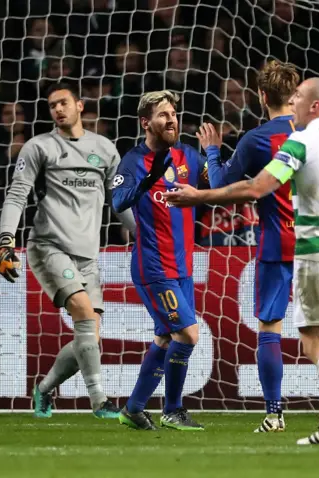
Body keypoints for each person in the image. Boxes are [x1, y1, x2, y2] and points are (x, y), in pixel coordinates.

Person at [163, 78, 319, 446]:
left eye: (299, 98)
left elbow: (255, 188)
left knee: (311, 342)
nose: (293, 104)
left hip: (314, 248)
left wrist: (198, 195)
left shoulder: (300, 140)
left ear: (314, 106)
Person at [0, 81, 136, 419]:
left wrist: (143, 236)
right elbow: (17, 195)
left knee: (89, 339)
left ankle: (44, 390)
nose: (57, 110)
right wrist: (6, 242)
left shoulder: (104, 149)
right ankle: (100, 401)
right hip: (49, 246)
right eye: (52, 106)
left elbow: (120, 202)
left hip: (88, 254)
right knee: (85, 317)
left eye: (63, 103)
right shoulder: (39, 147)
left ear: (80, 106)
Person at [112, 90, 221, 431]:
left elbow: (218, 184)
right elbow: (118, 202)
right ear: (146, 123)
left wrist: (215, 153)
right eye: (163, 115)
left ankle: (133, 409)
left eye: (173, 113)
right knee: (188, 335)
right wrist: (150, 177)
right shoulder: (132, 160)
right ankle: (172, 409)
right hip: (153, 267)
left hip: (183, 267)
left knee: (165, 338)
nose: (171, 119)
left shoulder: (188, 156)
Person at [203, 60, 299, 432]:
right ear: (296, 96)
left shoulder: (257, 140)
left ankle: (274, 413)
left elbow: (217, 187)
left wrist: (212, 150)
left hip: (277, 242)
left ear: (261, 97)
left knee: (269, 327)